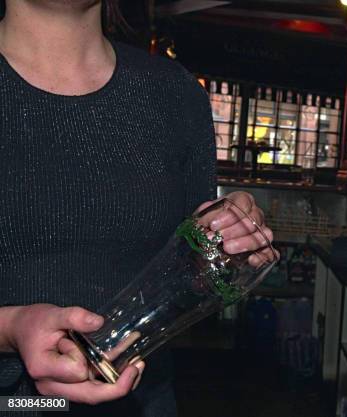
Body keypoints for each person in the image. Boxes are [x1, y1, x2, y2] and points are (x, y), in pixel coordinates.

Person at [0, 0, 276, 415]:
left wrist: (229, 236)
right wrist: (9, 329)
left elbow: (192, 272)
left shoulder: (175, 94)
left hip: (143, 402)